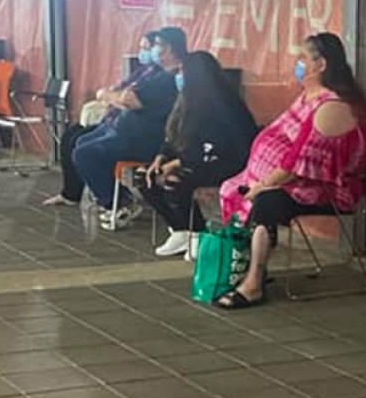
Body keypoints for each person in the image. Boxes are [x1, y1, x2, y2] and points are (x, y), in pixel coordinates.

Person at [214, 33, 366, 309]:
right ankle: (253, 266)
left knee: (266, 202)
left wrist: (262, 185)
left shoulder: (332, 107)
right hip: (291, 181)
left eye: (303, 58)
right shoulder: (307, 97)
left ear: (320, 64)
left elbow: (300, 162)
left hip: (324, 188)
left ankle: (253, 285)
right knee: (233, 187)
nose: (297, 64)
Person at [142, 51, 257, 258]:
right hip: (193, 160)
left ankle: (197, 232)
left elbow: (215, 146)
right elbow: (172, 137)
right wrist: (161, 157)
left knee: (175, 181)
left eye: (182, 72)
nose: (179, 77)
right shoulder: (185, 103)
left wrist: (177, 162)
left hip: (224, 163)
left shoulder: (225, 105)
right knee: (145, 176)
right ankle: (179, 228)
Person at [71, 27, 183, 230]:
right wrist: (117, 98)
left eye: (157, 45)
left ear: (169, 49)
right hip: (122, 130)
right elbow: (122, 94)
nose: (153, 50)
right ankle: (114, 196)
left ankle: (121, 203)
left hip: (141, 140)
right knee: (80, 141)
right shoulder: (153, 72)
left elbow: (130, 100)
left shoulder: (168, 79)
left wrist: (115, 98)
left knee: (84, 154)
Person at [41, 32, 161, 208]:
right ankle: (71, 193)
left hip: (131, 132)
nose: (142, 52)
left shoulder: (160, 78)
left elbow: (127, 100)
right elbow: (116, 91)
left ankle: (118, 200)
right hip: (113, 122)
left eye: (146, 48)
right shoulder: (141, 71)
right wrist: (113, 96)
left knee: (83, 150)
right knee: (73, 136)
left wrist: (114, 97)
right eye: (141, 48)